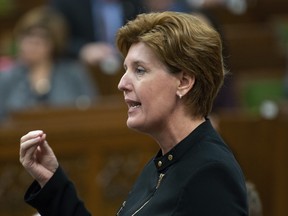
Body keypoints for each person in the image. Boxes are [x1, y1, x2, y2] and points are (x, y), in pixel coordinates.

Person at [19, 11, 248, 215]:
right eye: (125, 69)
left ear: (184, 82)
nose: (122, 83)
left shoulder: (211, 173)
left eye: (140, 70)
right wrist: (51, 181)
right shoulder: (162, 163)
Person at [0, 6, 98, 123]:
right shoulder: (6, 77)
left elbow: (92, 112)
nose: (31, 45)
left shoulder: (74, 73)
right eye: (27, 38)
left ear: (53, 43)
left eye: (40, 39)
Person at [49, 0, 144, 70]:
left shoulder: (135, 4)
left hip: (126, 68)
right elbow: (52, 37)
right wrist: (81, 50)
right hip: (78, 70)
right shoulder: (67, 3)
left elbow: (146, 34)